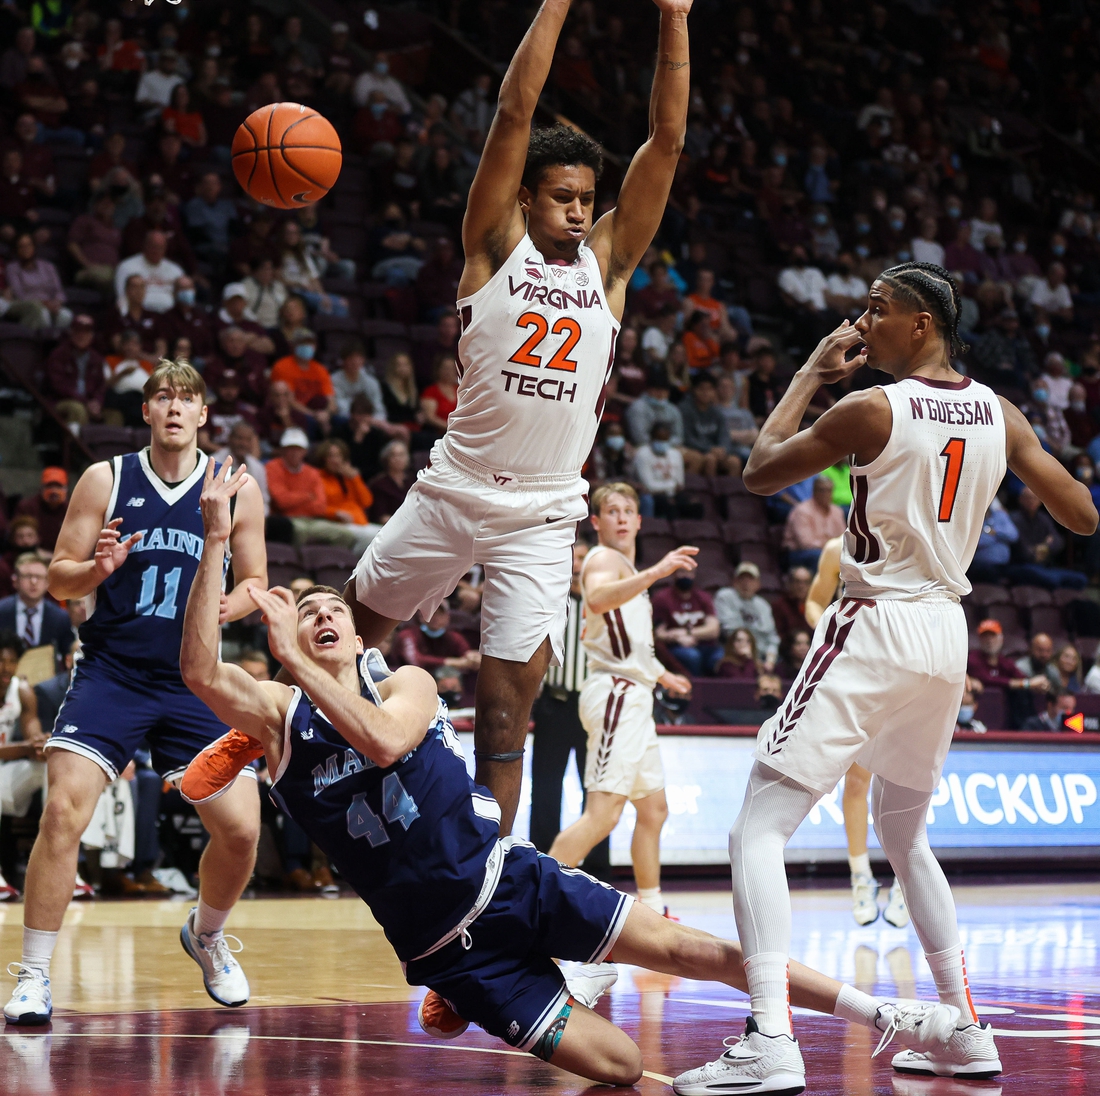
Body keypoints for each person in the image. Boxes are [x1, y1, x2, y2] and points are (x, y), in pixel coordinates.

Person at [178, 499, 958, 1088]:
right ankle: (540, 984)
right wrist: (216, 541)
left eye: (332, 612)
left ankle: (887, 1014)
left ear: (355, 636)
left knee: (702, 952)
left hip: (510, 881)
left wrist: (291, 655)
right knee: (618, 1067)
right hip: (454, 957)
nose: (319, 618)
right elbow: (200, 673)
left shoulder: (406, 681)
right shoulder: (283, 718)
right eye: (305, 613)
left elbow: (382, 741)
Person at [677, 259, 1095, 1093]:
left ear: (923, 326)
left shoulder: (873, 405)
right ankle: (966, 1031)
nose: (862, 324)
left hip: (874, 621)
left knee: (756, 829)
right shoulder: (1001, 413)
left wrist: (806, 374)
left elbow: (759, 470)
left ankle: (769, 1037)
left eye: (878, 311)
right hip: (945, 635)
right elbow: (1082, 515)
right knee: (906, 839)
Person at [346, 0, 697, 854]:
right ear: (528, 197)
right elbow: (514, 112)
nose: (580, 211)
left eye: (588, 198)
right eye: (564, 196)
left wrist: (675, 19)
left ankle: (489, 880)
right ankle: (263, 743)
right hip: (454, 486)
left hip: (543, 513)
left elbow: (667, 143)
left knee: (508, 708)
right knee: (349, 632)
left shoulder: (610, 264)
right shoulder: (493, 245)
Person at [3, 360, 269, 1027]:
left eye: (188, 399)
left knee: (240, 830)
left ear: (204, 415)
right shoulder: (106, 478)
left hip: (194, 679)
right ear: (146, 411)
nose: (175, 407)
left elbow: (256, 584)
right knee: (63, 812)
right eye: (162, 397)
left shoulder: (235, 488)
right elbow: (61, 578)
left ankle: (206, 935)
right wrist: (95, 568)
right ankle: (34, 975)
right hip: (113, 672)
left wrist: (212, 612)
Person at [549, 481, 693, 924]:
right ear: (597, 522)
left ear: (639, 520)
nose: (622, 517)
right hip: (613, 692)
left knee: (653, 808)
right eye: (612, 511)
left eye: (629, 510)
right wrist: (656, 572)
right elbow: (593, 598)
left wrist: (661, 674)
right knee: (603, 813)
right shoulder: (602, 559)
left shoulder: (627, 573)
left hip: (635, 693)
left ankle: (650, 909)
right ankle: (535, 904)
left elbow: (631, 643)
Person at [802, 534, 906, 928]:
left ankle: (904, 880)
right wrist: (830, 631)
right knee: (857, 780)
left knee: (903, 781)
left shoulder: (911, 537)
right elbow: (815, 599)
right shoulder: (836, 547)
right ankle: (860, 877)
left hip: (908, 666)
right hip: (858, 670)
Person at [528, 541, 610, 879]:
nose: (578, 564)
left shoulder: (606, 604)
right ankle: (542, 861)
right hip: (556, 703)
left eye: (583, 558)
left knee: (598, 789)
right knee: (546, 786)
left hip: (594, 707)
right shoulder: (550, 601)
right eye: (574, 557)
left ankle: (596, 868)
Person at [0, 632, 46, 901]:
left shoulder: (22, 690)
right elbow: (25, 746)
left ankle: (66, 870)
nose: (6, 668)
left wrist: (40, 744)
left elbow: (33, 733)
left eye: (12, 661)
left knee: (51, 768)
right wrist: (27, 747)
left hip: (7, 774)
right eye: (1, 661)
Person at [966, 618, 1044, 730]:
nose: (989, 640)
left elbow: (1021, 678)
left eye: (993, 636)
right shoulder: (973, 659)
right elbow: (988, 680)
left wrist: (1037, 684)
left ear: (1001, 639)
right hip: (981, 712)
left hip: (1005, 714)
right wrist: (1026, 684)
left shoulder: (1004, 662)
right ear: (979, 639)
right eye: (985, 636)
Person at [0, 553, 74, 666]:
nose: (33, 582)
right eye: (28, 576)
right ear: (15, 581)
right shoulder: (2, 611)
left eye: (39, 577)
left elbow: (67, 656)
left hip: (47, 680)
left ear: (47, 583)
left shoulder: (60, 618)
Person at [651, 570, 722, 676]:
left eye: (690, 572)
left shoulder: (703, 597)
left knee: (721, 657)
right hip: (675, 646)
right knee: (692, 656)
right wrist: (676, 638)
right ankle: (696, 688)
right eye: (682, 572)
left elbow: (713, 630)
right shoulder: (662, 598)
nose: (686, 576)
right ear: (674, 574)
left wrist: (686, 633)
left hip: (705, 644)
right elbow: (659, 634)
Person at [714, 562, 780, 670]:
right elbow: (730, 631)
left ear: (758, 584)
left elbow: (772, 637)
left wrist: (770, 660)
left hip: (761, 654)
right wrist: (753, 657)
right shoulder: (725, 597)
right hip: (732, 650)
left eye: (750, 579)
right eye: (742, 579)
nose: (746, 583)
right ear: (734, 582)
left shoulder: (763, 605)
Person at [679, 373, 738, 477]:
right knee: (710, 460)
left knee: (734, 461)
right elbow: (687, 439)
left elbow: (725, 436)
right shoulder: (685, 410)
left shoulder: (717, 412)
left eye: (710, 389)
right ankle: (712, 492)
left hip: (715, 451)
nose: (705, 393)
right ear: (693, 390)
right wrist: (709, 449)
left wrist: (723, 450)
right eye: (701, 389)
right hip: (696, 450)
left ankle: (732, 492)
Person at [14, 468, 71, 553]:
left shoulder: (70, 510)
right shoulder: (27, 507)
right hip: (29, 555)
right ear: (41, 488)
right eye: (49, 486)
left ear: (66, 489)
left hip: (61, 557)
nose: (54, 491)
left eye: (58, 486)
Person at [634, 422, 685, 518]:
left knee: (695, 505)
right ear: (651, 438)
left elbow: (680, 484)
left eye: (665, 439)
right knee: (666, 504)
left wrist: (671, 490)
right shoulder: (642, 454)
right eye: (659, 439)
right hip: (652, 496)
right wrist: (671, 487)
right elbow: (649, 486)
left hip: (673, 494)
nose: (662, 443)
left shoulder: (676, 454)